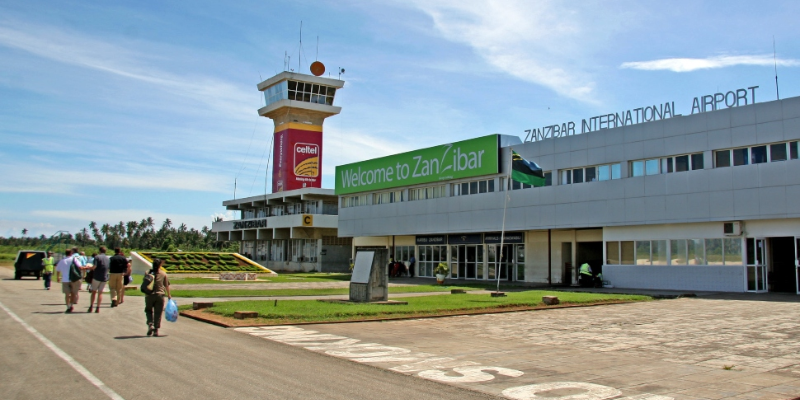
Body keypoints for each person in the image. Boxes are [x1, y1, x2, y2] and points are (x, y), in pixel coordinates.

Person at [145, 258, 171, 337]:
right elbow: (166, 285)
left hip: (149, 295)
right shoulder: (163, 274)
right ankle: (156, 330)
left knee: (148, 310)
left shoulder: (147, 273)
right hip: (160, 295)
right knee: (158, 312)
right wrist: (169, 294)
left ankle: (150, 323)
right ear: (160, 265)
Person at [88, 247, 110, 313]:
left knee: (94, 292)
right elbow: (108, 268)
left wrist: (89, 268)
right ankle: (98, 307)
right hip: (104, 277)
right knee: (100, 293)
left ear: (99, 251)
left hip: (97, 276)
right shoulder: (108, 258)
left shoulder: (97, 257)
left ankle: (91, 306)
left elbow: (94, 266)